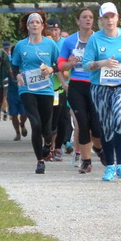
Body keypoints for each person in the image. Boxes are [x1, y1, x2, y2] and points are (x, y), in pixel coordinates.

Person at [80, 3, 121, 181]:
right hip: (100, 88)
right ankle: (110, 166)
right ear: (101, 20)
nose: (109, 20)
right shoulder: (95, 39)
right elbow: (86, 65)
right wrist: (102, 63)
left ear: (117, 18)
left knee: (119, 118)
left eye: (112, 16)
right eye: (106, 17)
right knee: (106, 125)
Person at [9, 11, 62, 175]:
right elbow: (15, 65)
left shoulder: (50, 44)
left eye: (37, 22)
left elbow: (59, 64)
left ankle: (47, 143)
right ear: (27, 26)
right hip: (27, 89)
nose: (34, 25)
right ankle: (40, 161)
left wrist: (51, 69)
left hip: (46, 89)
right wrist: (17, 74)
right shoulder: (20, 45)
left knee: (47, 127)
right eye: (31, 22)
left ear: (42, 26)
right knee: (35, 124)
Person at [59, 9, 100, 176]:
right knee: (82, 124)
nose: (88, 20)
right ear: (78, 21)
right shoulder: (69, 41)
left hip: (96, 85)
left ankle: (100, 150)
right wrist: (70, 63)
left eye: (91, 17)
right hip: (76, 85)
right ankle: (86, 161)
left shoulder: (99, 39)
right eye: (84, 17)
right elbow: (60, 65)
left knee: (96, 127)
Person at [44, 18, 71, 161]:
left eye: (56, 29)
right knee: (50, 121)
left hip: (61, 87)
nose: (54, 32)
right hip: (46, 88)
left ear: (60, 30)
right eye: (51, 29)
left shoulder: (65, 44)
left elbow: (66, 67)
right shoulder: (44, 44)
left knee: (63, 120)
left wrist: (60, 72)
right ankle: (49, 146)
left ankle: (58, 148)